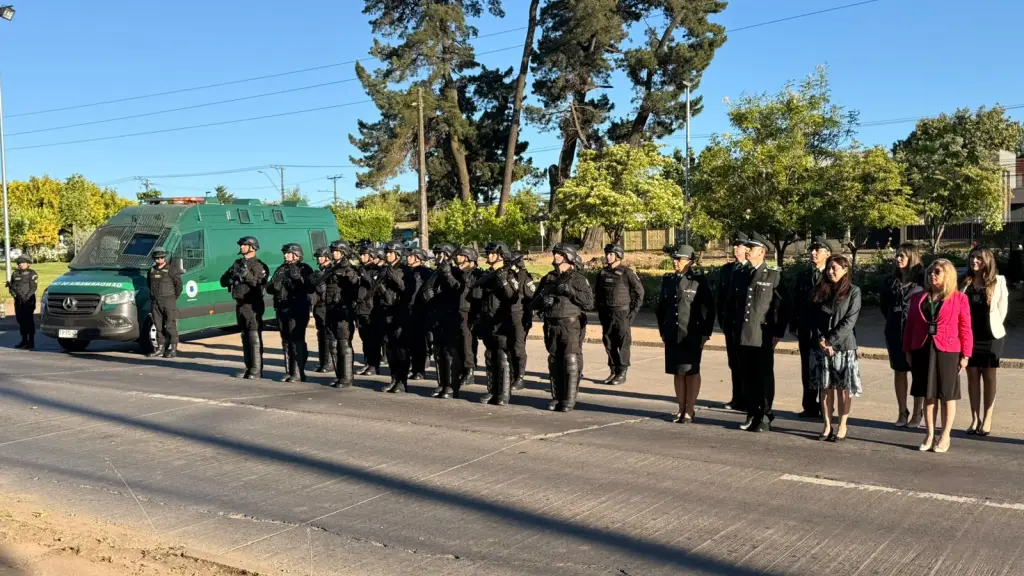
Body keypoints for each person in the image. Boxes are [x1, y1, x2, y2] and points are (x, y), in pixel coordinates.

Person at [904, 258, 972, 454]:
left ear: (948, 275)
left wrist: (966, 354)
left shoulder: (959, 299)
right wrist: (907, 350)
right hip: (923, 350)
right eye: (930, 272)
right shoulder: (919, 298)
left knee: (947, 396)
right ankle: (930, 434)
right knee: (928, 394)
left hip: (948, 351)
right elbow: (910, 327)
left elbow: (965, 328)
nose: (932, 275)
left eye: (937, 272)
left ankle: (945, 435)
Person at [730, 232, 790, 432]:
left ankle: (764, 414)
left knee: (763, 376)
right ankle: (751, 413)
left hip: (762, 335)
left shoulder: (773, 275)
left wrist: (778, 332)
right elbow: (734, 305)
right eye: (746, 248)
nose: (746, 251)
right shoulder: (740, 273)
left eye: (751, 248)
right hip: (743, 333)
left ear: (762, 252)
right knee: (747, 376)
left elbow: (782, 306)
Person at [656, 244, 714, 423]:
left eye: (679, 259)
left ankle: (690, 409)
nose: (675, 262)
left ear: (689, 261)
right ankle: (680, 408)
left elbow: (710, 308)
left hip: (692, 333)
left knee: (691, 370)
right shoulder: (668, 279)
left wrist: (705, 333)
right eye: (674, 258)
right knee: (677, 371)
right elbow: (662, 308)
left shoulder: (698, 281)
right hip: (673, 332)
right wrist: (663, 331)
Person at [534, 243, 594, 412]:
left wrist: (570, 291)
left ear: (568, 256)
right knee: (554, 361)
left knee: (570, 360)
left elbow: (589, 303)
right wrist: (542, 302)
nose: (555, 257)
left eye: (559, 254)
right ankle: (557, 397)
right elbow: (534, 302)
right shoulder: (549, 278)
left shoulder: (578, 278)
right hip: (551, 324)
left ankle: (569, 398)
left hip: (570, 324)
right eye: (555, 254)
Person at [808, 255, 862, 442]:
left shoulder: (853, 292)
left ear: (845, 270)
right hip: (822, 346)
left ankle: (842, 425)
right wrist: (822, 340)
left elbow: (849, 321)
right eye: (829, 268)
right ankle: (827, 425)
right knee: (825, 388)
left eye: (835, 268)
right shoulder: (820, 290)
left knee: (843, 389)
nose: (831, 271)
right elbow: (812, 318)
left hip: (844, 347)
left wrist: (831, 340)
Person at [961, 247, 1008, 436]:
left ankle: (987, 418)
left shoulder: (999, 281)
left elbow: (1002, 310)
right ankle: (975, 419)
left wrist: (992, 328)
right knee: (972, 377)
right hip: (969, 337)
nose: (974, 261)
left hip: (991, 337)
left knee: (989, 377)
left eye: (978, 258)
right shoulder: (965, 282)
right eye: (972, 257)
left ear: (987, 260)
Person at [879, 243, 924, 428]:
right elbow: (884, 306)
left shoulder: (922, 281)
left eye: (902, 256)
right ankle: (902, 411)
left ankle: (917, 412)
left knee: (918, 373)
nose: (898, 259)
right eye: (897, 255)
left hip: (916, 333)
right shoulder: (890, 281)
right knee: (899, 371)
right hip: (895, 331)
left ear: (911, 258)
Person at [471, 242, 520, 405]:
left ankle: (503, 393)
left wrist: (503, 282)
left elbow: (513, 297)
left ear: (501, 255)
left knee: (502, 356)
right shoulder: (487, 275)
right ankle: (492, 391)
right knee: (490, 356)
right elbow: (477, 299)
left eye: (492, 253)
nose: (488, 255)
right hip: (487, 320)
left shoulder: (508, 274)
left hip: (502, 321)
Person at [790, 236, 831, 418]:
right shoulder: (803, 276)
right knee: (807, 367)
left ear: (827, 254)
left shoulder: (831, 275)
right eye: (812, 250)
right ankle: (809, 405)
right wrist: (794, 324)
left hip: (824, 330)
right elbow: (795, 303)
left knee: (824, 369)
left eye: (818, 250)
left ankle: (825, 406)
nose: (813, 253)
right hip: (806, 329)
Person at [594, 243, 644, 386]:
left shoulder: (627, 273)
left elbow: (639, 293)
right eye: (607, 254)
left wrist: (632, 313)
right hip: (606, 314)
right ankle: (613, 370)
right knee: (609, 342)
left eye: (611, 254)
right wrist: (600, 311)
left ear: (618, 256)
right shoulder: (602, 274)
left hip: (622, 313)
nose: (608, 257)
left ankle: (622, 372)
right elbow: (597, 294)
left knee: (623, 343)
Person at [220, 236, 269, 379]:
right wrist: (231, 277)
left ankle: (256, 369)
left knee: (254, 336)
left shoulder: (259, 265)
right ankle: (248, 367)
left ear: (252, 247)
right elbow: (223, 280)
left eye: (244, 245)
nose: (241, 247)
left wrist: (247, 275)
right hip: (240, 304)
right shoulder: (237, 263)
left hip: (252, 304)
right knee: (245, 335)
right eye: (241, 245)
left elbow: (259, 283)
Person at [267, 243, 314, 383]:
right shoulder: (281, 269)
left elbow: (308, 287)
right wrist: (273, 287)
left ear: (296, 254)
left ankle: (299, 372)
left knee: (296, 340)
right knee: (286, 340)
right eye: (285, 253)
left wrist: (297, 279)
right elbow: (269, 286)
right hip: (282, 308)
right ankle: (289, 371)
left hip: (298, 308)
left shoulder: (304, 268)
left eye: (288, 253)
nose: (285, 255)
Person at [422, 243, 462, 398]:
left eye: (442, 254)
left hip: (450, 317)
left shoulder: (456, 272)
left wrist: (448, 275)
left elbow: (458, 289)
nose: (438, 257)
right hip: (436, 317)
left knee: (450, 353)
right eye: (437, 254)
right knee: (438, 352)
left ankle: (452, 386)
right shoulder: (435, 273)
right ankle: (442, 383)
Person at [321, 240, 362, 388]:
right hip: (331, 309)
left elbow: (354, 283)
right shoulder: (331, 268)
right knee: (333, 343)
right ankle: (339, 376)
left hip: (344, 310)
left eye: (337, 251)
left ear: (343, 252)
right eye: (333, 251)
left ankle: (346, 377)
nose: (333, 253)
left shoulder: (349, 268)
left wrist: (347, 274)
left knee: (344, 342)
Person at [716, 233, 749, 411]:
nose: (736, 248)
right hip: (730, 324)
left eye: (740, 246)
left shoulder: (751, 270)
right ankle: (737, 397)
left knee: (746, 363)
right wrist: (722, 320)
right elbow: (721, 298)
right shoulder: (727, 270)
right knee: (733, 362)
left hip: (746, 325)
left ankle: (747, 398)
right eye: (734, 246)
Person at [378, 242, 409, 393]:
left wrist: (395, 278)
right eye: (387, 252)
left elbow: (406, 290)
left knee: (400, 349)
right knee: (390, 348)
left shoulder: (405, 270)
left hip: (399, 312)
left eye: (390, 252)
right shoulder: (385, 269)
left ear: (398, 254)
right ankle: (393, 379)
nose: (387, 255)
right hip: (386, 311)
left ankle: (402, 382)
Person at [455, 246, 484, 389]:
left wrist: (477, 316)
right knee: (459, 343)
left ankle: (470, 371)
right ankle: (461, 369)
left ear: (469, 258)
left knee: (468, 344)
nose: (457, 258)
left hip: (470, 312)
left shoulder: (477, 275)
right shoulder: (457, 273)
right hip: (457, 311)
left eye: (461, 255)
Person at [508, 252, 537, 391]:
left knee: (518, 348)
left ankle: (519, 377)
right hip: (507, 316)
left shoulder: (525, 278)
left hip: (520, 317)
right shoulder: (507, 276)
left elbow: (532, 298)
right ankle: (510, 375)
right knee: (508, 347)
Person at [147, 247, 183, 358]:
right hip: (156, 301)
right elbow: (149, 284)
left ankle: (173, 350)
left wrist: (172, 298)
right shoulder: (151, 271)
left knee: (170, 326)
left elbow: (179, 286)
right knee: (158, 326)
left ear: (164, 257)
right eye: (157, 258)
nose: (159, 260)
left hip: (168, 301)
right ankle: (160, 348)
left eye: (161, 257)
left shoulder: (171, 269)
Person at [405, 247, 434, 380]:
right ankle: (413, 367)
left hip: (420, 310)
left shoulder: (425, 273)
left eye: (411, 256)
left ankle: (420, 370)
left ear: (418, 258)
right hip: (407, 310)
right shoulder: (407, 271)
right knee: (409, 342)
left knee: (420, 342)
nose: (408, 258)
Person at [354, 242, 382, 376]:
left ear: (371, 256)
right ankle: (367, 363)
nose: (361, 257)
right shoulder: (360, 269)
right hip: (360, 308)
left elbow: (376, 287)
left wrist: (365, 277)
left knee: (373, 340)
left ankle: (374, 365)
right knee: (365, 339)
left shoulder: (376, 270)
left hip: (371, 309)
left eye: (364, 254)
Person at [310, 248, 335, 373]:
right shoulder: (318, 271)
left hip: (327, 307)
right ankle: (323, 362)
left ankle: (329, 363)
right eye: (318, 256)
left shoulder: (332, 271)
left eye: (321, 256)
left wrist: (322, 288)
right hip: (318, 306)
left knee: (328, 335)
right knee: (321, 334)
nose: (319, 258)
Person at [7, 254, 38, 350]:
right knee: (20, 319)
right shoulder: (15, 273)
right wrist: (14, 295)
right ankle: (24, 340)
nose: (21, 264)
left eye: (23, 263)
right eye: (20, 263)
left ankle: (31, 342)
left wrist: (27, 297)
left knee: (28, 320)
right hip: (18, 300)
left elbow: (33, 288)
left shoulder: (32, 273)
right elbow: (11, 286)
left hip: (29, 300)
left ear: (28, 263)